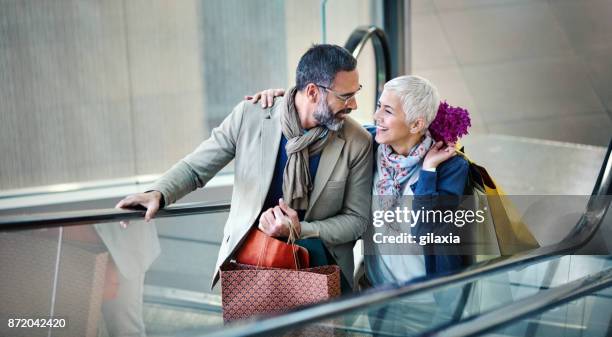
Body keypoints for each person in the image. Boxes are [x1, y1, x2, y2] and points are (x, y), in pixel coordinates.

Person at [116, 44, 373, 292]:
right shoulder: (251, 116)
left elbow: (357, 220)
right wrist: (158, 192)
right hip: (251, 268)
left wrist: (300, 230)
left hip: (323, 271)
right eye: (345, 96)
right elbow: (197, 168)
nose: (354, 105)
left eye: (356, 92)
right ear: (313, 92)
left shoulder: (357, 142)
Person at [250, 75, 471, 335]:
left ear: (417, 123)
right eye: (379, 105)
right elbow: (317, 117)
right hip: (377, 291)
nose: (377, 115)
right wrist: (284, 100)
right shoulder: (369, 144)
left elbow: (426, 229)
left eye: (387, 111)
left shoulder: (450, 167)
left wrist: (428, 171)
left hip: (427, 299)